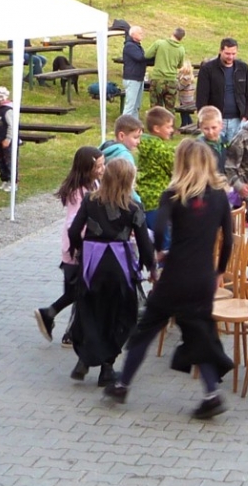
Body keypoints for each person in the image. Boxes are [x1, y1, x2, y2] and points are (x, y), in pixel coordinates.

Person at [107, 139, 237, 419]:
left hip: (175, 276)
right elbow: (228, 240)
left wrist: (159, 254)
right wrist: (220, 271)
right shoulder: (219, 197)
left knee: (146, 330)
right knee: (199, 333)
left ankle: (122, 384)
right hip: (203, 277)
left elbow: (158, 227)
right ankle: (212, 394)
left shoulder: (173, 194)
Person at [65, 158, 153, 387]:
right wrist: (150, 266)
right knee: (120, 315)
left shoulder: (90, 200)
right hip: (119, 266)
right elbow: (144, 242)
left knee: (90, 311)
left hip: (92, 264)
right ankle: (107, 367)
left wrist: (79, 249)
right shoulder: (133, 207)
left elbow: (74, 231)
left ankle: (85, 359)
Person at [34, 146, 104, 343]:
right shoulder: (78, 192)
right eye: (99, 166)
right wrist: (84, 240)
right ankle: (53, 317)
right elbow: (75, 223)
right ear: (87, 168)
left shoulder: (94, 184)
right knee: (78, 291)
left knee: (79, 292)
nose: (103, 169)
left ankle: (67, 329)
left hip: (84, 246)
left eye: (103, 164)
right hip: (76, 248)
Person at [136, 106, 179, 236]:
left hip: (144, 197)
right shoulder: (160, 149)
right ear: (157, 128)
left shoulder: (144, 143)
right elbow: (176, 168)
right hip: (157, 200)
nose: (172, 130)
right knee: (164, 239)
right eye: (168, 127)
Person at [195, 37, 248, 129]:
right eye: (227, 53)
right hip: (215, 121)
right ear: (220, 51)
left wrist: (246, 115)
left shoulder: (243, 68)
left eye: (233, 54)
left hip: (239, 121)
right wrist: (205, 119)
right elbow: (201, 98)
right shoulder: (207, 69)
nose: (230, 57)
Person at [148, 28, 188, 111]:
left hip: (158, 78)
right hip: (172, 81)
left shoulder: (159, 43)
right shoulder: (181, 49)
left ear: (172, 33)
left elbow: (147, 55)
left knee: (156, 109)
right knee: (170, 109)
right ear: (181, 38)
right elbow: (180, 65)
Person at [120, 25, 155, 117]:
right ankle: (124, 123)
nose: (142, 34)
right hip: (132, 79)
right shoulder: (129, 46)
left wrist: (155, 59)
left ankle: (135, 124)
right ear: (133, 34)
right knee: (130, 105)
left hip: (139, 78)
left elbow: (144, 60)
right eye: (139, 33)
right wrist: (153, 53)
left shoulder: (138, 46)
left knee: (136, 106)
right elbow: (140, 58)